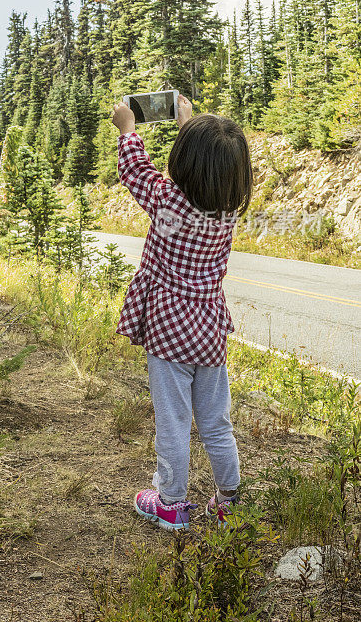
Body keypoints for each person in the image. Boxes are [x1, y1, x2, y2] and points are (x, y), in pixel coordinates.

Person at [111, 95, 253, 531]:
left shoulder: (168, 202)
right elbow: (201, 173)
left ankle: (171, 502)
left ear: (184, 164)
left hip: (170, 329)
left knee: (172, 421)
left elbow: (138, 172)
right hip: (209, 329)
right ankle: (229, 500)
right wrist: (188, 124)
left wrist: (127, 129)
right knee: (215, 422)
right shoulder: (226, 211)